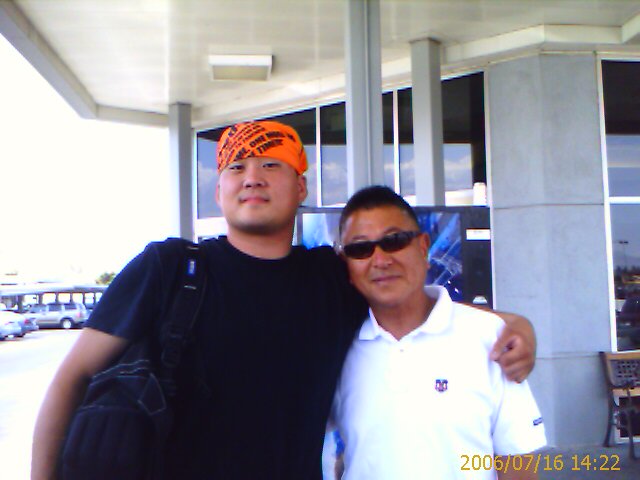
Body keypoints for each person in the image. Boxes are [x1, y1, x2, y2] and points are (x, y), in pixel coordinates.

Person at [32, 121, 537, 480]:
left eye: (270, 164)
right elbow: (71, 379)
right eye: (236, 167)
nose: (252, 176)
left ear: (300, 187)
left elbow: (405, 298)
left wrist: (513, 325)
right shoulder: (169, 269)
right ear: (219, 191)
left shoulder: (330, 278)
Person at [331, 185, 546, 479]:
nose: (380, 260)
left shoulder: (492, 338)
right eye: (360, 248)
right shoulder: (335, 348)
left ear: (423, 247)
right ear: (346, 264)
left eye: (394, 241)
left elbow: (517, 464)